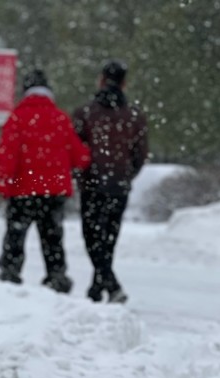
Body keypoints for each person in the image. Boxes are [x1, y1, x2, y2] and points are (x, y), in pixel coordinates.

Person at [0, 69, 91, 293]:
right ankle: (56, 275)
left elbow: (6, 154)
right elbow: (79, 156)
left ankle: (10, 272)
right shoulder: (61, 118)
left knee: (15, 233)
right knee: (52, 235)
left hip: (22, 189)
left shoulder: (17, 117)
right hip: (53, 190)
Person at [72, 60, 149, 303]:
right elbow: (140, 154)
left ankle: (110, 284)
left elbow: (75, 149)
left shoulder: (85, 114)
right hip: (118, 184)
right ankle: (99, 284)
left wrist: (81, 174)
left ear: (101, 80)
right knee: (108, 237)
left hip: (92, 182)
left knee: (92, 236)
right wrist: (126, 174)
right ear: (124, 84)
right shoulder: (134, 117)